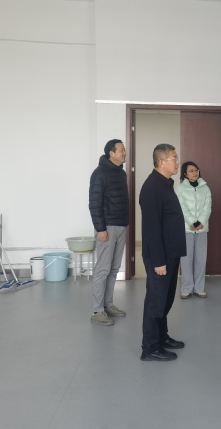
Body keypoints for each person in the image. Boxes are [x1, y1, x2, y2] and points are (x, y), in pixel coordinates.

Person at [139, 144, 187, 361]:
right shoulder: (152, 188)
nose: (178, 162)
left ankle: (161, 337)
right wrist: (159, 261)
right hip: (160, 256)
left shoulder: (165, 184)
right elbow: (151, 229)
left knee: (165, 299)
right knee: (155, 301)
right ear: (161, 162)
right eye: (174, 158)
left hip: (170, 253)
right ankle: (150, 348)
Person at [88, 139, 129, 326]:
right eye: (121, 150)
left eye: (124, 150)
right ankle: (97, 310)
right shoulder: (99, 173)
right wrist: (100, 229)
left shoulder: (121, 173)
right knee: (103, 269)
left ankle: (108, 305)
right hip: (107, 228)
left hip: (121, 225)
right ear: (111, 153)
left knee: (114, 268)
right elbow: (95, 203)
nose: (124, 152)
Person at [175, 161, 212, 299]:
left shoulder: (205, 188)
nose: (195, 173)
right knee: (186, 260)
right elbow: (181, 208)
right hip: (186, 229)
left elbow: (207, 207)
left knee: (201, 260)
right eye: (191, 171)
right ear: (185, 174)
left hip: (202, 229)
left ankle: (199, 288)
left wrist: (200, 222)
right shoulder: (180, 189)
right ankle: (186, 288)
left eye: (196, 170)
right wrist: (193, 222)